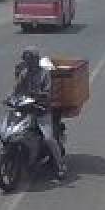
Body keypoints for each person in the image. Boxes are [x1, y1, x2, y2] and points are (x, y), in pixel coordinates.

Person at [13, 47, 66, 179]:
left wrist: (39, 96)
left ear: (36, 60)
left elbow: (47, 92)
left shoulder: (44, 74)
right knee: (15, 133)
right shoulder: (25, 73)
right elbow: (17, 89)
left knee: (48, 139)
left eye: (30, 60)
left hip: (42, 110)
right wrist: (11, 97)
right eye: (26, 60)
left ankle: (60, 166)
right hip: (27, 110)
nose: (28, 62)